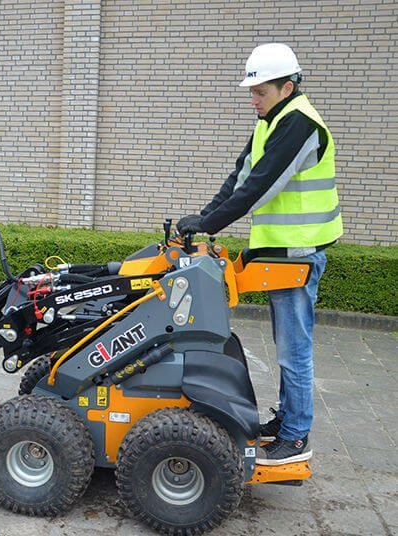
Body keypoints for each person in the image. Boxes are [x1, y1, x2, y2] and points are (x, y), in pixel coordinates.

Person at [176, 43, 343, 465]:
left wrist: (210, 224)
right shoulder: (272, 120)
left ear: (287, 87)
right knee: (285, 343)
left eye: (260, 92)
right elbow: (240, 176)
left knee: (293, 348)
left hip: (299, 252)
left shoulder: (300, 124)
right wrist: (203, 218)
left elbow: (260, 188)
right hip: (279, 250)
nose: (253, 99)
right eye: (251, 92)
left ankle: (295, 436)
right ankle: (287, 421)